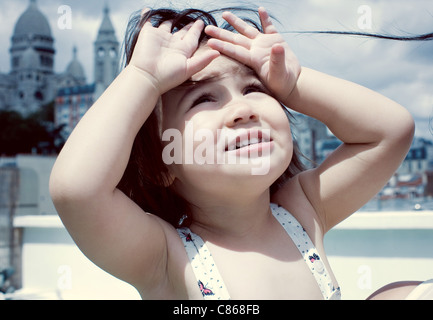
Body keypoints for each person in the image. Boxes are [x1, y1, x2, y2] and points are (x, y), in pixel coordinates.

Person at [49, 6, 419, 299]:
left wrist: (296, 84)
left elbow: (390, 131)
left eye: (255, 88)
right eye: (204, 98)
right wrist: (143, 77)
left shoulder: (303, 212)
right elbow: (78, 191)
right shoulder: (165, 257)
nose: (243, 109)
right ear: (163, 166)